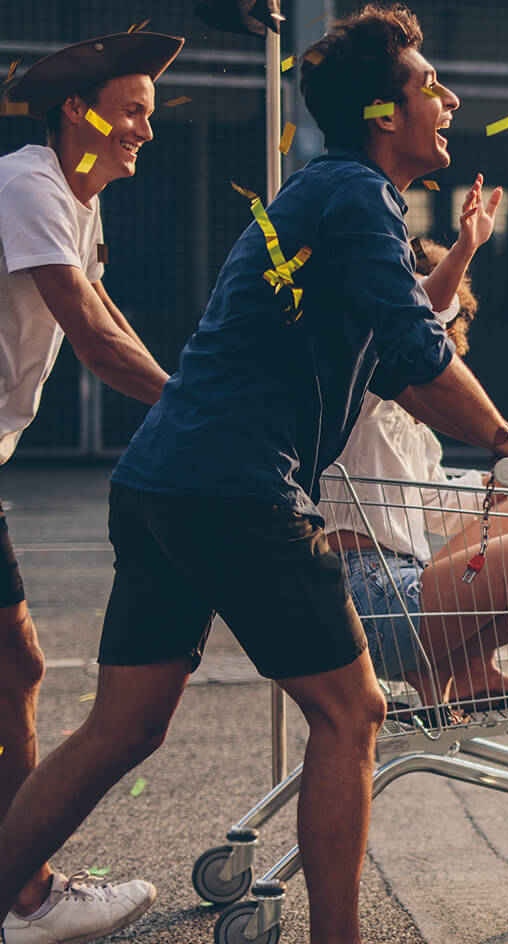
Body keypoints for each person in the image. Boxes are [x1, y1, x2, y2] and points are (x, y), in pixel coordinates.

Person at [0, 7, 508, 944]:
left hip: (162, 480)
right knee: (352, 711)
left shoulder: (328, 194)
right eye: (429, 84)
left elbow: (397, 367)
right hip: (236, 487)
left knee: (125, 727)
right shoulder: (355, 195)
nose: (448, 99)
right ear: (382, 113)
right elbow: (420, 352)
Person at [0, 30, 184, 944]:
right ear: (77, 110)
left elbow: (107, 313)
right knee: (15, 669)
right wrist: (196, 409)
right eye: (132, 111)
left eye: (149, 113)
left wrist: (183, 397)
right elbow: (88, 331)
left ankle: (25, 892)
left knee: (14, 669)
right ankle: (27, 895)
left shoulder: (77, 197)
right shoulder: (30, 183)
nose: (146, 128)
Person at [322, 230, 508, 722]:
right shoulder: (360, 385)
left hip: (403, 578)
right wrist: (466, 248)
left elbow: (436, 504)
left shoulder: (413, 422)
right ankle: (453, 666)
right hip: (365, 593)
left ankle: (465, 668)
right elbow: (411, 317)